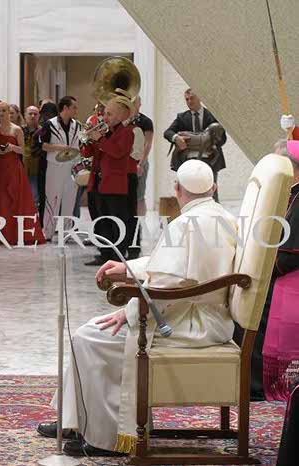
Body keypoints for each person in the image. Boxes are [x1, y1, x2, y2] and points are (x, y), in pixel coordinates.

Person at [38, 160, 238, 456]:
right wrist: (127, 267)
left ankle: (106, 438)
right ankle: (74, 420)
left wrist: (130, 312)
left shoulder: (186, 223)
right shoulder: (224, 217)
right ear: (214, 188)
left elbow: (170, 283)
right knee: (92, 332)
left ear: (177, 188)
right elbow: (172, 269)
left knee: (89, 337)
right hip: (205, 315)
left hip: (191, 324)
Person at [244, 139, 299, 401]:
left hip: (288, 276)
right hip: (280, 270)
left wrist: (261, 266)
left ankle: (260, 385)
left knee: (259, 306)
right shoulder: (287, 193)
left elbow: (290, 255)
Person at [82, 97, 134, 266]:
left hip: (114, 185)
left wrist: (99, 139)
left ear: (120, 116)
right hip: (98, 183)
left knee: (116, 222)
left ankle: (117, 256)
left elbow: (117, 152)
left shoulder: (126, 133)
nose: (104, 117)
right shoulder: (105, 133)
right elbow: (88, 154)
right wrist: (88, 140)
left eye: (109, 114)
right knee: (100, 221)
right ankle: (104, 254)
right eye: (105, 114)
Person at [0, 102, 45, 246]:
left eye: (4, 110)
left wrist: (12, 147)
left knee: (17, 197)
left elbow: (22, 150)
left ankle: (19, 233)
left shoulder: (17, 129)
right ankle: (4, 233)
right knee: (2, 198)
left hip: (14, 167)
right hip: (0, 168)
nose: (1, 113)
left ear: (9, 112)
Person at [164, 88, 226, 202]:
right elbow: (167, 133)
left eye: (192, 98)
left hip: (210, 160)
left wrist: (211, 141)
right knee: (188, 190)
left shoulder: (213, 115)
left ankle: (213, 211)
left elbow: (223, 139)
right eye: (186, 99)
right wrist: (176, 138)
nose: (189, 101)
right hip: (188, 160)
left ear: (200, 98)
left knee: (211, 191)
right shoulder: (181, 117)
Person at [41, 96, 82, 241]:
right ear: (65, 108)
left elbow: (80, 144)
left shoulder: (78, 125)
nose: (76, 110)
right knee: (52, 199)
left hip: (72, 166)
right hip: (55, 166)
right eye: (74, 107)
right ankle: (48, 232)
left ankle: (66, 232)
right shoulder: (49, 124)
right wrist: (60, 147)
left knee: (70, 200)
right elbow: (43, 145)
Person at [125, 97, 154, 260]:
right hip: (126, 162)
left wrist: (141, 163)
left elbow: (148, 143)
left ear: (139, 104)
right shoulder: (124, 121)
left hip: (139, 162)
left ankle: (139, 225)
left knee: (139, 196)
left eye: (135, 103)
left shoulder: (145, 121)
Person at [34, 102, 59, 224]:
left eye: (49, 115)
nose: (46, 118)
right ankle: (44, 222)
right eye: (45, 115)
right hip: (44, 165)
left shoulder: (55, 128)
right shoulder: (43, 129)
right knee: (44, 196)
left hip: (54, 165)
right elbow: (36, 149)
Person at [22, 105, 41, 205]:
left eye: (35, 114)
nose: (32, 116)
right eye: (30, 114)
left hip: (37, 168)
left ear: (39, 116)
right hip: (21, 168)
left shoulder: (43, 131)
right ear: (25, 115)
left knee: (35, 196)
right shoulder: (19, 130)